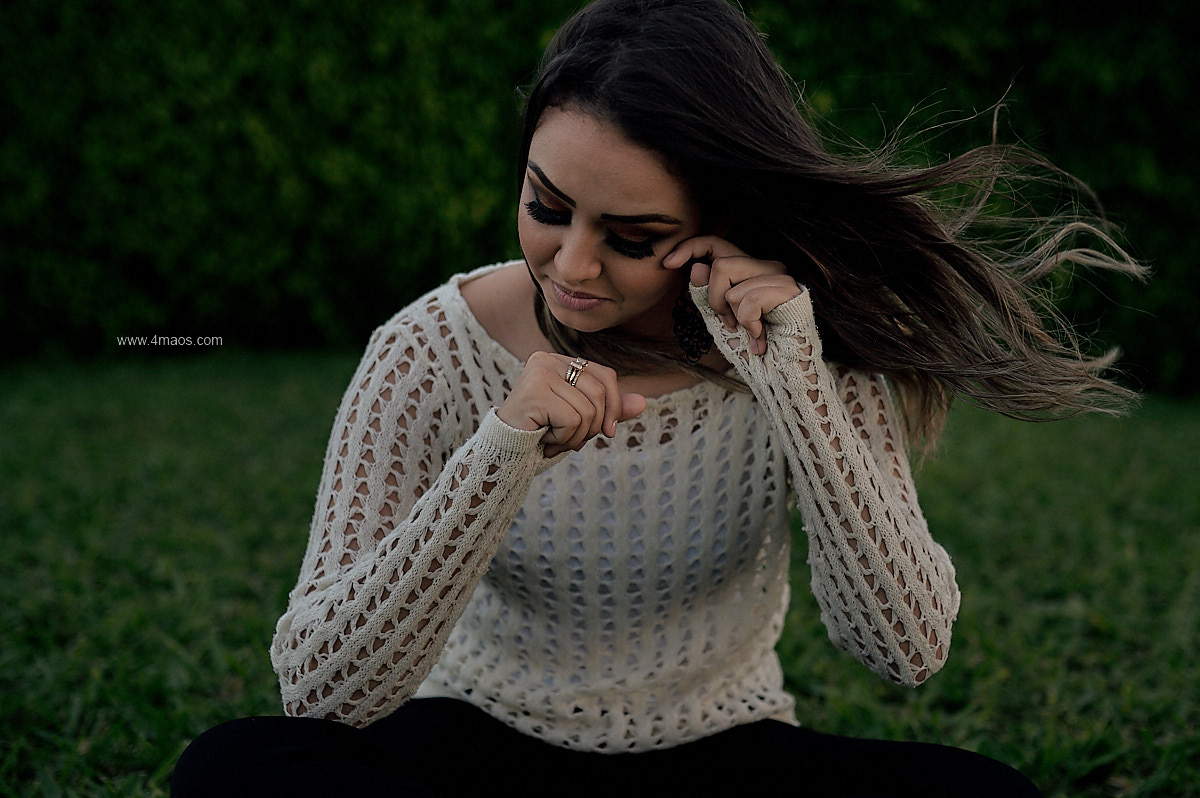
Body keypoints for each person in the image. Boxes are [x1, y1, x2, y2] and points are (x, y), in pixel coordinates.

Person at [172, 0, 1143, 795]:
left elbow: (906, 646)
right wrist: (499, 450)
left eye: (631, 238)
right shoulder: (426, 348)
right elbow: (323, 690)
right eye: (546, 207)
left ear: (719, 221)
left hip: (719, 752)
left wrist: (797, 386)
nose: (572, 264)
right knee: (234, 767)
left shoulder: (795, 346)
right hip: (475, 741)